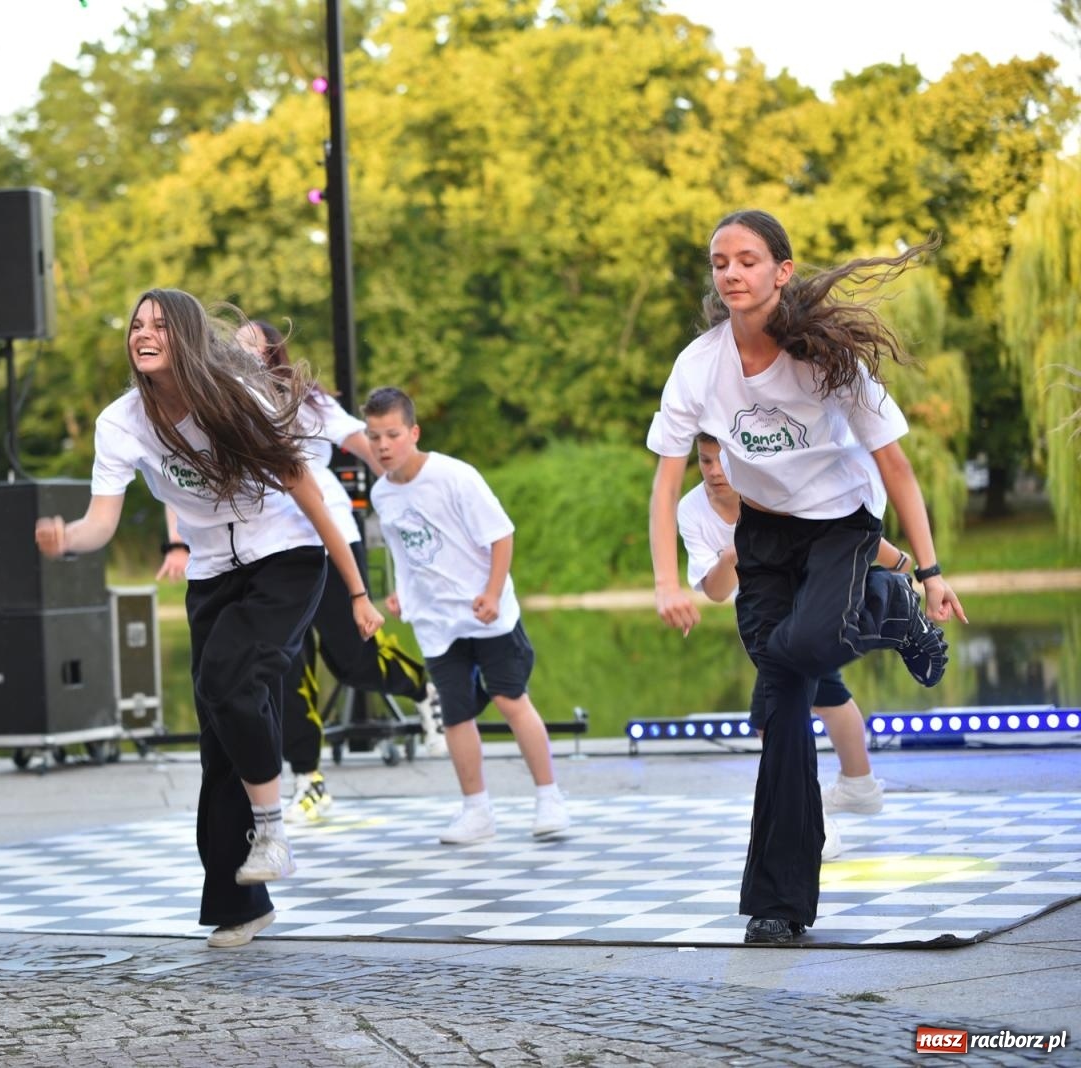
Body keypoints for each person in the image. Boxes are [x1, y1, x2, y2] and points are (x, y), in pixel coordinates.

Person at [648, 209, 967, 945]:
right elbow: (665, 481)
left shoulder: (828, 359)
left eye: (747, 260)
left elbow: (896, 467)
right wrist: (667, 580)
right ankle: (779, 905)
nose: (731, 273)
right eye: (720, 262)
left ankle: (891, 608)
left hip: (840, 528)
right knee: (784, 710)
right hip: (763, 538)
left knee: (800, 651)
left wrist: (929, 571)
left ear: (781, 271)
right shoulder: (698, 366)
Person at [35, 289, 382, 950]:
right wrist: (68, 539)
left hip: (286, 555)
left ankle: (273, 829)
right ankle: (240, 905)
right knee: (219, 732)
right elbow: (101, 522)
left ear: (188, 337)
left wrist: (357, 589)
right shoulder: (121, 423)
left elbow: (308, 491)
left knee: (229, 680)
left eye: (159, 325)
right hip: (211, 572)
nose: (143, 334)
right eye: (136, 325)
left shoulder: (236, 395)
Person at [161, 320, 441, 824]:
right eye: (234, 344)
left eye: (252, 345)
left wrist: (410, 484)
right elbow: (180, 475)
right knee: (283, 667)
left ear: (272, 353)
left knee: (351, 657)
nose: (240, 352)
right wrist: (178, 543)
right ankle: (309, 780)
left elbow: (364, 444)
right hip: (269, 549)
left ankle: (424, 687)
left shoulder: (305, 401)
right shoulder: (215, 401)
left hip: (326, 535)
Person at [363, 386, 570, 845]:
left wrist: (492, 593)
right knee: (455, 714)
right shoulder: (382, 494)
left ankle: (549, 797)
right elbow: (402, 552)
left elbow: (501, 535)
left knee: (510, 699)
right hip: (435, 622)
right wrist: (401, 594)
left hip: (486, 612)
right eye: (374, 436)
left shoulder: (455, 476)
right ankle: (477, 811)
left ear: (413, 433)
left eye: (392, 434)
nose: (382, 445)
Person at [679, 432, 896, 857]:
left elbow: (847, 530)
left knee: (772, 713)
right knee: (825, 695)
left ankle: (815, 823)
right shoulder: (692, 509)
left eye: (723, 460)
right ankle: (858, 785)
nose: (715, 471)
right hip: (765, 614)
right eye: (705, 461)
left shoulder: (772, 482)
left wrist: (912, 566)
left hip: (810, 603)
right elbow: (717, 591)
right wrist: (735, 551)